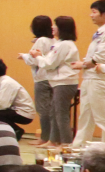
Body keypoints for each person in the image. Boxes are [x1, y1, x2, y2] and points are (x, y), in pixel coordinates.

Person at [28, 15, 80, 148]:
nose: (52, 28)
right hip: (59, 82)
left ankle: (66, 143)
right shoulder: (60, 43)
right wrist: (41, 57)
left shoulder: (64, 44)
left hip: (64, 82)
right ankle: (53, 140)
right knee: (54, 112)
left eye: (55, 25)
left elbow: (50, 64)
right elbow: (50, 60)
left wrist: (38, 57)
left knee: (61, 114)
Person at [73, 0, 105, 146]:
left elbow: (101, 57)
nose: (91, 15)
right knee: (85, 116)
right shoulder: (100, 32)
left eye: (94, 12)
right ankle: (79, 147)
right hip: (89, 78)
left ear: (104, 14)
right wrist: (84, 64)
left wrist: (83, 64)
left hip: (99, 79)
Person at [18, 15, 55, 146]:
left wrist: (23, 56)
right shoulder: (54, 40)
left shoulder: (41, 41)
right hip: (53, 78)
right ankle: (52, 137)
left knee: (43, 109)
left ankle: (45, 137)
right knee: (52, 109)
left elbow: (33, 60)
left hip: (42, 78)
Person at [0, 57, 35, 139]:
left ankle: (16, 130)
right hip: (15, 110)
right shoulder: (0, 83)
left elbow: (1, 105)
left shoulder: (6, 83)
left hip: (24, 113)